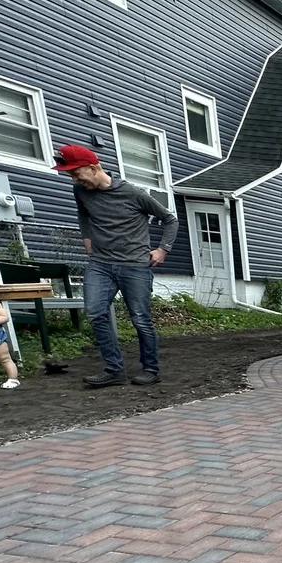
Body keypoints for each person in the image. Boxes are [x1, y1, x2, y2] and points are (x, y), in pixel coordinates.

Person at [53, 144, 179, 388]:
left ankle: (151, 369)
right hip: (100, 263)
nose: (74, 179)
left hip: (134, 265)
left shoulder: (133, 193)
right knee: (96, 312)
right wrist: (87, 240)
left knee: (141, 319)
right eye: (70, 175)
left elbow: (169, 219)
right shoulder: (80, 191)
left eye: (76, 173)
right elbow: (84, 216)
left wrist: (163, 249)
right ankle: (114, 369)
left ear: (93, 168)